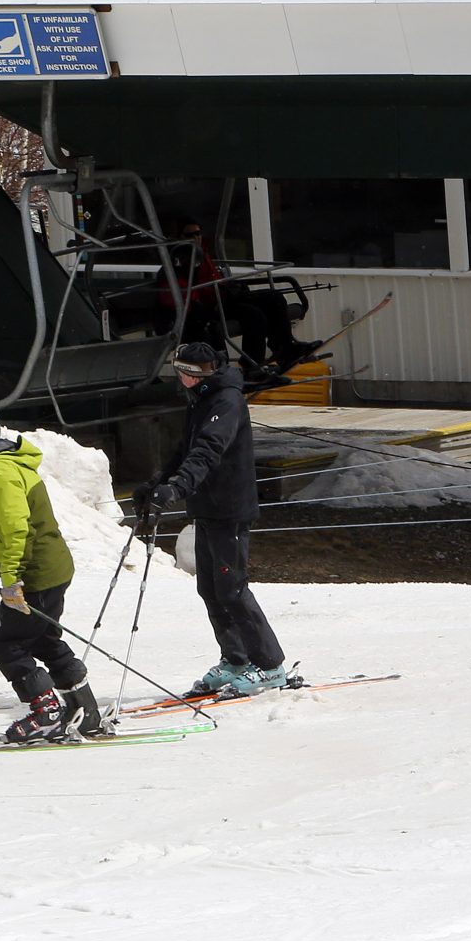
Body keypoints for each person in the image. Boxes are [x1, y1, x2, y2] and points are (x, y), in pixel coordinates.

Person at [135, 341, 289, 697]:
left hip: (229, 509)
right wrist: (158, 483)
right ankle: (236, 659)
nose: (182, 380)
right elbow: (185, 451)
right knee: (210, 589)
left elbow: (208, 450)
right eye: (180, 373)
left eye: (187, 374)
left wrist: (178, 489)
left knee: (232, 590)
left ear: (201, 374)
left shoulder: (226, 400)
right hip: (207, 509)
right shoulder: (202, 398)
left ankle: (269, 665)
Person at [0, 404, 107, 743]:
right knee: (43, 639)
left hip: (34, 573)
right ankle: (85, 711)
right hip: (51, 567)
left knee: (5, 643)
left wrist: (11, 579)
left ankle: (45, 711)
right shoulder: (6, 464)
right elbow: (13, 518)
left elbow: (18, 527)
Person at [167, 218, 315, 375]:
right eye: (190, 235)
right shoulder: (181, 260)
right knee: (253, 315)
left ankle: (284, 348)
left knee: (275, 298)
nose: (195, 237)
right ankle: (251, 364)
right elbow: (191, 290)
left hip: (224, 296)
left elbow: (214, 278)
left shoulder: (202, 253)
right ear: (181, 237)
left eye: (198, 233)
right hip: (211, 305)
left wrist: (232, 286)